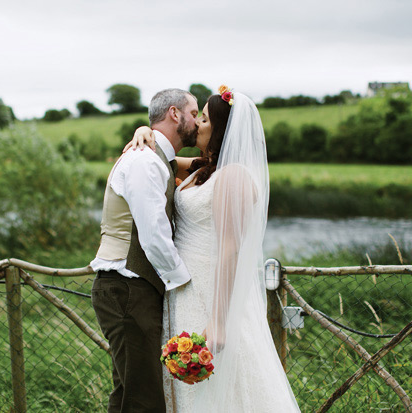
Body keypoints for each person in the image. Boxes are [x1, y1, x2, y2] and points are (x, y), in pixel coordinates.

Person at [126, 87, 300, 412]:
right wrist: (144, 131)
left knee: (222, 392)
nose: (198, 125)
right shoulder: (205, 168)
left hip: (210, 293)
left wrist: (218, 323)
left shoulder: (233, 177)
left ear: (221, 129)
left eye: (204, 118)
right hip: (185, 290)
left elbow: (230, 250)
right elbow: (161, 155)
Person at [90, 88, 199, 412]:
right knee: (143, 400)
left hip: (135, 288)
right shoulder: (144, 161)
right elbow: (153, 235)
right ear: (175, 114)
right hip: (126, 287)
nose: (196, 121)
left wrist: (144, 130)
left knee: (130, 395)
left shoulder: (156, 157)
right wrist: (185, 286)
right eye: (194, 113)